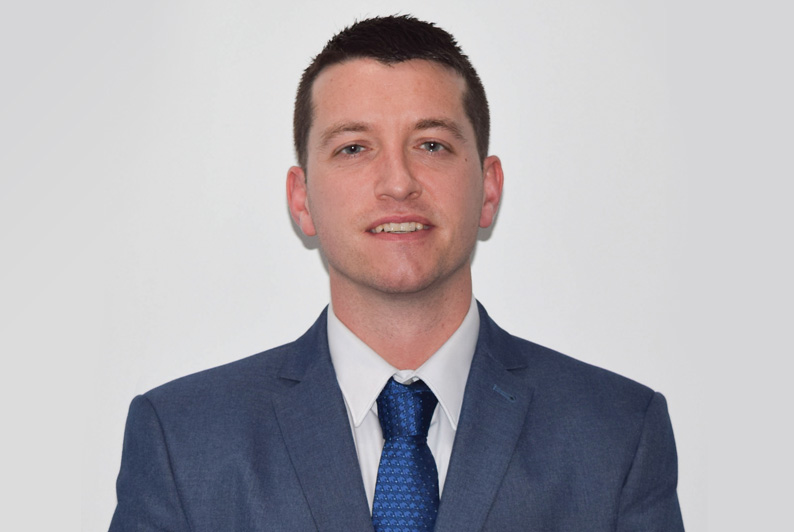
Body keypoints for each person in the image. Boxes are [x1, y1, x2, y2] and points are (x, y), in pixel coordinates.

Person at [110, 15, 684, 531]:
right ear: (302, 200)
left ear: (488, 190)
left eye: (431, 145)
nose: (399, 182)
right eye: (355, 148)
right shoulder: (184, 443)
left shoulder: (617, 435)